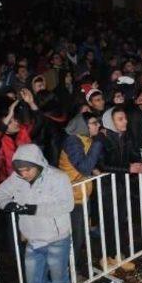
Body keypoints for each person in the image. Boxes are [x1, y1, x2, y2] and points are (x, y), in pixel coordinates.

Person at [0, 144, 74, 283]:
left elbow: (67, 205)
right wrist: (7, 204)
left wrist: (33, 209)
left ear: (38, 163)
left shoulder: (58, 178)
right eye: (20, 170)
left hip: (57, 240)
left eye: (27, 169)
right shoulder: (17, 178)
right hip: (33, 240)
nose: (24, 174)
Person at [97, 106, 142, 271]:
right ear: (111, 121)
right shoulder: (101, 139)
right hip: (107, 187)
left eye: (125, 118)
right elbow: (103, 165)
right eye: (120, 119)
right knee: (110, 222)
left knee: (121, 220)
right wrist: (128, 168)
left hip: (122, 185)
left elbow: (134, 151)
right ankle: (107, 256)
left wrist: (138, 162)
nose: (125, 121)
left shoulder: (126, 135)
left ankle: (117, 255)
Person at [58, 112, 104, 274]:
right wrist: (98, 142)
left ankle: (75, 267)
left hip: (82, 193)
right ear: (84, 126)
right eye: (94, 123)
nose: (98, 125)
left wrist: (94, 168)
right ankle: (70, 273)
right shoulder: (73, 141)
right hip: (72, 198)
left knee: (81, 235)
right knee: (75, 237)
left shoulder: (83, 139)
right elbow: (83, 166)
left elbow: (85, 165)